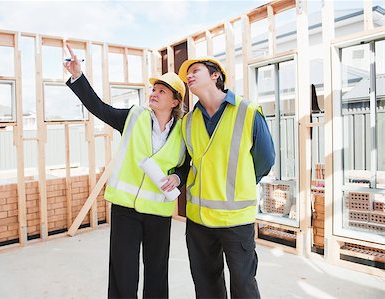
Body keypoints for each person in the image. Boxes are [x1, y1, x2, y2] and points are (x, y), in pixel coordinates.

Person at [64, 44, 188, 299]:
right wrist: (78, 75)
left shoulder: (185, 131)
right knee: (123, 272)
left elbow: (186, 165)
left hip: (158, 212)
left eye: (162, 91)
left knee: (157, 272)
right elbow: (98, 107)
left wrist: (178, 177)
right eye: (154, 89)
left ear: (175, 101)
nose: (154, 93)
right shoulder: (133, 117)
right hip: (126, 210)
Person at [177, 56, 275, 299]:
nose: (189, 76)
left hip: (236, 220)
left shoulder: (247, 111)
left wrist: (240, 183)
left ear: (215, 75)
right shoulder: (187, 122)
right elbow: (187, 164)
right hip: (199, 219)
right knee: (206, 286)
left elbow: (265, 160)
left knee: (243, 286)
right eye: (187, 74)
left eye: (195, 70)